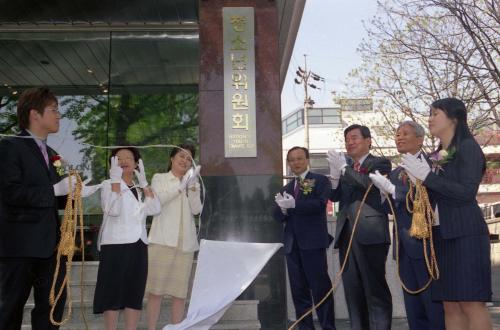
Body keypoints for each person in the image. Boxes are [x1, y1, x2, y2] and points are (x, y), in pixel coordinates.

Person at [0, 87, 100, 329]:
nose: (59, 116)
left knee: (52, 309)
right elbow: (10, 192)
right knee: (9, 310)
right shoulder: (9, 147)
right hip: (19, 247)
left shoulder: (52, 154)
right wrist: (55, 190)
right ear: (35, 114)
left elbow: (55, 199)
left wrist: (78, 194)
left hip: (51, 247)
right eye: (54, 110)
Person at [400, 98, 492, 329]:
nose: (429, 119)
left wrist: (429, 178)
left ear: (454, 117)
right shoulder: (439, 154)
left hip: (465, 233)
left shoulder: (468, 147)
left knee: (471, 302)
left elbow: (466, 192)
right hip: (441, 235)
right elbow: (432, 194)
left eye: (435, 114)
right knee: (449, 303)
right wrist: (417, 184)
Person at [369, 121, 445, 329]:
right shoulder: (395, 173)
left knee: (433, 305)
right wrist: (384, 193)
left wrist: (395, 191)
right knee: (414, 308)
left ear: (420, 139)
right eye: (397, 134)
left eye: (404, 134)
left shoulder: (433, 165)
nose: (399, 138)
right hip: (404, 246)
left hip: (429, 244)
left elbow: (429, 198)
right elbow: (390, 209)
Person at [327, 124, 392, 329]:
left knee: (375, 290)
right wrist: (335, 179)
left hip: (371, 235)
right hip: (347, 235)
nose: (350, 143)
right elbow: (335, 196)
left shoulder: (380, 162)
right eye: (347, 139)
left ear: (368, 140)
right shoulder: (346, 168)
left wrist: (344, 169)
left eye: (354, 138)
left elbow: (367, 184)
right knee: (352, 292)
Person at [93, 147, 161, 330]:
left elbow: (155, 209)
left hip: (139, 244)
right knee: (112, 293)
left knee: (134, 293)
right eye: (118, 158)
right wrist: (115, 180)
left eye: (128, 157)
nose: (124, 160)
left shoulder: (140, 188)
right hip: (115, 245)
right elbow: (112, 210)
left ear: (136, 164)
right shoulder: (108, 184)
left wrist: (145, 183)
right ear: (112, 165)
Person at [273, 146, 335, 330]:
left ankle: (328, 327)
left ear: (307, 160)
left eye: (299, 158)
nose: (296, 162)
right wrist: (283, 209)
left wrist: (294, 205)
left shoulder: (320, 180)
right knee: (298, 292)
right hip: (292, 246)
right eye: (292, 160)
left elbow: (319, 204)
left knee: (320, 289)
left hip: (313, 244)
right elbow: (277, 215)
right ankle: (305, 327)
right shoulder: (286, 187)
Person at [145, 144, 202, 329]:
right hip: (162, 241)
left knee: (180, 293)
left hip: (185, 244)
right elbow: (157, 201)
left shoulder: (193, 182)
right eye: (181, 156)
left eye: (189, 158)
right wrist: (179, 188)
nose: (185, 160)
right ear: (172, 158)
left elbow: (196, 210)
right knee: (155, 291)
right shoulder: (159, 178)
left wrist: (192, 187)